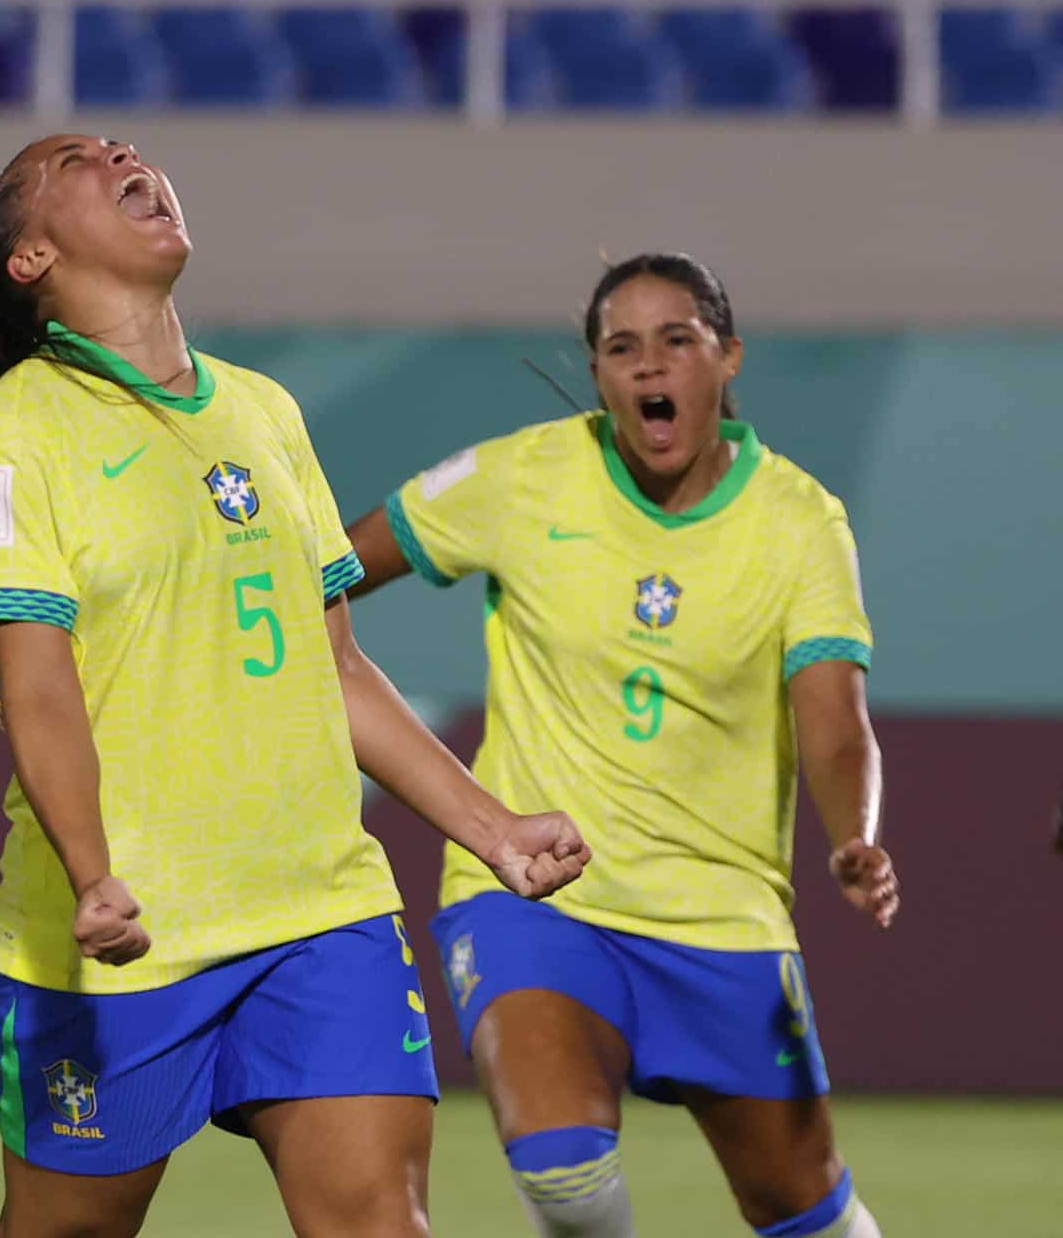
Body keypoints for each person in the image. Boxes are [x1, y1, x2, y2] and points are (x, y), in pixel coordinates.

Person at [0, 133, 590, 1238]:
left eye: (123, 144)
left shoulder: (265, 411)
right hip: (120, 938)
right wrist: (90, 873)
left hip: (320, 909)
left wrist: (494, 828)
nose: (121, 150)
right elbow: (39, 696)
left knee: (381, 1221)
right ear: (29, 257)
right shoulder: (6, 441)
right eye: (74, 159)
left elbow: (340, 668)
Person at [347, 252, 898, 1238]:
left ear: (726, 359)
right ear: (597, 372)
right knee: (562, 1167)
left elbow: (834, 716)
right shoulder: (520, 475)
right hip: (542, 890)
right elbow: (334, 571)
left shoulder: (801, 521)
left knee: (801, 1205)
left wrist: (852, 836)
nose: (650, 366)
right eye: (621, 346)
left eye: (676, 340)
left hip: (721, 910)